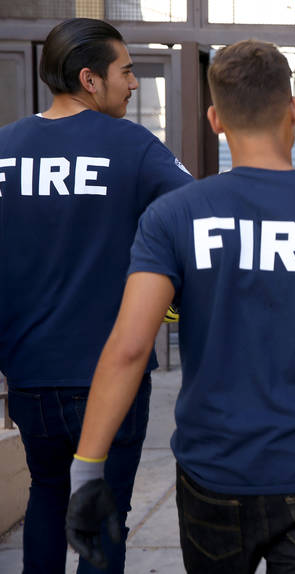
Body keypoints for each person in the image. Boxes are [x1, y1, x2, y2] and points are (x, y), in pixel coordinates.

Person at [63, 40, 295, 573]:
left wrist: (87, 471)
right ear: (294, 110)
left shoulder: (174, 215)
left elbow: (130, 347)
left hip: (213, 475)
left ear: (215, 119)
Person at [0, 18, 193, 574]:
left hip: (29, 374)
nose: (133, 84)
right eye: (127, 71)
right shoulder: (133, 148)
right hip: (113, 372)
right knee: (103, 512)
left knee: (47, 495)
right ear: (89, 78)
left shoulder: (7, 149)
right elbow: (199, 214)